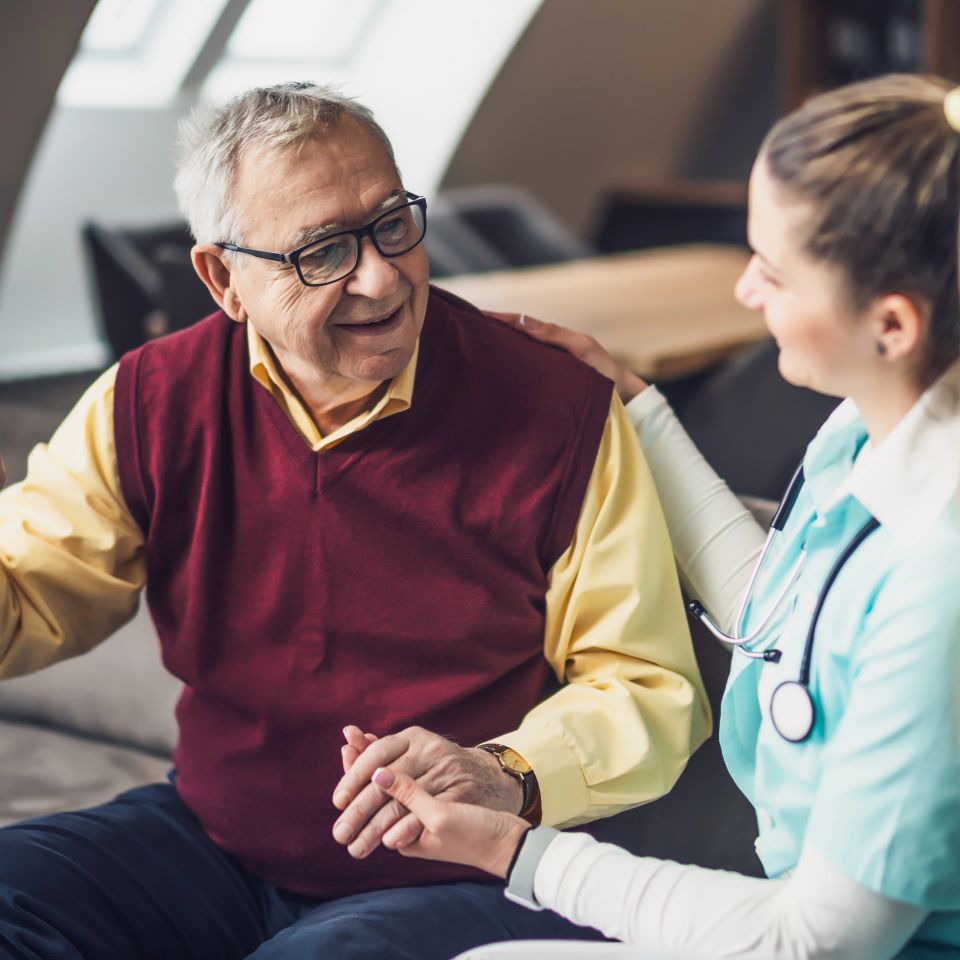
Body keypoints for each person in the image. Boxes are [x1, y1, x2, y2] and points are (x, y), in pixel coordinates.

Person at [0, 83, 710, 959]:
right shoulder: (148, 400)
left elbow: (650, 687)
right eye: (323, 252)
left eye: (392, 225)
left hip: (465, 873)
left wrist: (503, 773)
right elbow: (28, 598)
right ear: (223, 278)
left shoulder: (557, 409)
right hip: (215, 837)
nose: (381, 276)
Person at [365, 74, 960, 959]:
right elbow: (785, 619)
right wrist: (636, 409)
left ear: (893, 324)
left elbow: (814, 942)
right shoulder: (872, 430)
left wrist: (516, 851)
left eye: (774, 270)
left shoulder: (941, 576)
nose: (747, 293)